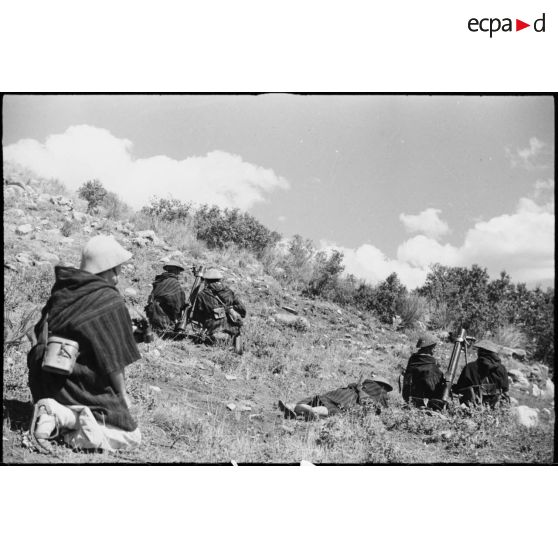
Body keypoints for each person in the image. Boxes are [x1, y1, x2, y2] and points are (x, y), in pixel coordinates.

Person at [27, 235, 142, 453]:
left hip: (44, 380)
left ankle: (53, 411)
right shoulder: (108, 300)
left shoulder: (64, 289)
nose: (118, 276)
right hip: (76, 386)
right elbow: (113, 360)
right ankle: (62, 417)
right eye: (117, 269)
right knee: (130, 436)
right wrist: (123, 395)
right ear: (110, 268)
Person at [278, 376, 393, 420]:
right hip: (348, 400)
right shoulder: (379, 393)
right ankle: (312, 411)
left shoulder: (364, 384)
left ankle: (292, 406)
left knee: (320, 398)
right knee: (334, 409)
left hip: (341, 392)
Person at [191, 268, 247, 349]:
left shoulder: (202, 294)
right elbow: (243, 310)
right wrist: (230, 309)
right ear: (220, 279)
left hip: (212, 330)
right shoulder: (229, 292)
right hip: (231, 330)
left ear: (206, 280)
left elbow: (197, 316)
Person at [453, 339, 510, 407]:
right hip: (494, 406)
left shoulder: (470, 367)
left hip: (473, 406)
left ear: (481, 352)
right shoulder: (502, 368)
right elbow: (505, 390)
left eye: (479, 350)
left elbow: (460, 388)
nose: (477, 352)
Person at [401, 334, 447, 411]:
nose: (435, 350)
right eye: (434, 347)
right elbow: (435, 389)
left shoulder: (412, 359)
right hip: (426, 404)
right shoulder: (431, 367)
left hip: (409, 398)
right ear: (430, 348)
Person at [145, 261, 187, 334]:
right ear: (176, 270)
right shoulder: (174, 282)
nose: (179, 273)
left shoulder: (160, 280)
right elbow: (176, 303)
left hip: (152, 315)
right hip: (163, 318)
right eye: (178, 271)